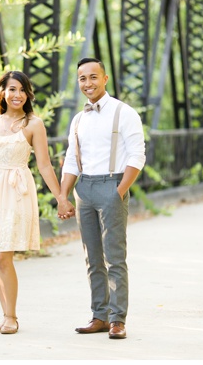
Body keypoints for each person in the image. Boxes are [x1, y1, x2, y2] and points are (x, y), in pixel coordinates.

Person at [0, 70, 74, 335]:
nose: (16, 95)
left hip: (16, 192)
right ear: (2, 93)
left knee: (2, 254)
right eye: (11, 89)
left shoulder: (34, 124)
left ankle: (12, 317)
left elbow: (44, 165)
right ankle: (4, 314)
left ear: (27, 94)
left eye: (21, 90)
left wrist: (61, 199)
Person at [60, 57, 146, 340]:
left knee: (114, 257)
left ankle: (117, 319)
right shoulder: (78, 119)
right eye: (82, 79)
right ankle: (99, 314)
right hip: (84, 189)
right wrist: (63, 195)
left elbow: (137, 155)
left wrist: (119, 191)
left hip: (112, 185)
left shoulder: (124, 113)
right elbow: (72, 160)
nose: (88, 83)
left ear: (105, 79)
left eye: (93, 77)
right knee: (92, 258)